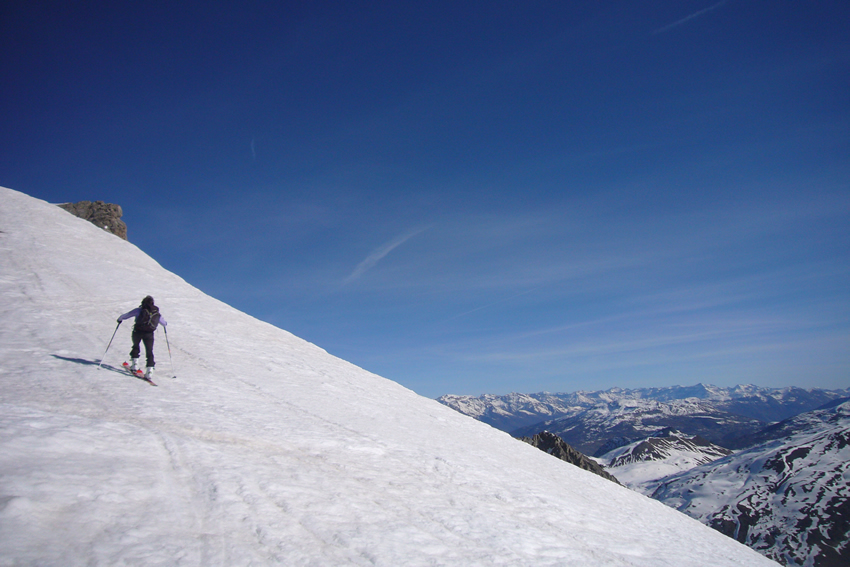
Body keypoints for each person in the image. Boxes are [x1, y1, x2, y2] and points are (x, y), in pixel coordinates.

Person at [117, 295, 167, 380]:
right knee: (149, 351)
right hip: (149, 333)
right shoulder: (156, 312)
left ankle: (135, 364)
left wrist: (119, 319)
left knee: (136, 346)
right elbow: (164, 323)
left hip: (138, 331)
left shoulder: (139, 310)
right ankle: (149, 371)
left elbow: (126, 315)